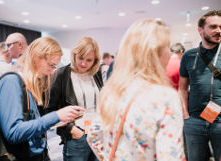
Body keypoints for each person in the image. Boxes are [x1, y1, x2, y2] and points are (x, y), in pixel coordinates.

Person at [87, 19, 185, 161]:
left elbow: (93, 134)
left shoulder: (111, 90)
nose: (170, 53)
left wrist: (110, 156)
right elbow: (170, 156)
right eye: (167, 47)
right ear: (154, 53)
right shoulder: (165, 97)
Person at [0, 37, 84, 161]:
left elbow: (32, 124)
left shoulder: (28, 85)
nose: (52, 72)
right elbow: (14, 132)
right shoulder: (11, 81)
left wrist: (57, 120)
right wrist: (56, 116)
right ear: (37, 57)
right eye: (51, 65)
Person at [48, 36, 103, 161]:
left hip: (97, 134)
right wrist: (70, 129)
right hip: (77, 135)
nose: (83, 63)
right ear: (74, 55)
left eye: (89, 60)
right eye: (80, 58)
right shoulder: (62, 74)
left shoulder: (96, 73)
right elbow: (51, 109)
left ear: (95, 60)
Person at [179, 10, 221, 161]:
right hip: (194, 121)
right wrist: (185, 115)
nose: (218, 30)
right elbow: (182, 88)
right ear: (200, 30)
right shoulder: (189, 56)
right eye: (213, 26)